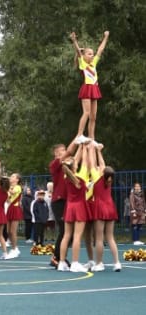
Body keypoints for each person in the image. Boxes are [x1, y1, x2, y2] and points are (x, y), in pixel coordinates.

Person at [70, 31, 110, 140]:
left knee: (93, 117)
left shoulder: (94, 63)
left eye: (92, 54)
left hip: (94, 89)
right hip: (87, 88)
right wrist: (74, 41)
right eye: (89, 54)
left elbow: (100, 50)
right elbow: (78, 52)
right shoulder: (83, 63)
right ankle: (79, 135)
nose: (92, 55)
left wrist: (106, 37)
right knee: (86, 113)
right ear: (84, 56)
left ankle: (92, 138)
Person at [89, 143, 121, 272]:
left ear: (102, 172)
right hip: (110, 206)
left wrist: (91, 148)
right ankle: (117, 262)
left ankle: (99, 263)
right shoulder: (109, 179)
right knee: (110, 237)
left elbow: (92, 163)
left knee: (99, 238)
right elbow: (102, 164)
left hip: (100, 207)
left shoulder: (97, 177)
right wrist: (99, 151)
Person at [58, 144, 90, 272]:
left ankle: (61, 262)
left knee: (66, 235)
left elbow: (74, 161)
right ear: (74, 167)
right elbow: (85, 162)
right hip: (79, 207)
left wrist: (81, 146)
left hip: (69, 207)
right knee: (77, 236)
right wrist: (86, 148)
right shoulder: (80, 179)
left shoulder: (66, 177)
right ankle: (75, 263)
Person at [49, 140, 77, 268]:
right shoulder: (55, 164)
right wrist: (77, 138)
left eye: (64, 150)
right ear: (56, 154)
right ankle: (57, 257)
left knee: (70, 231)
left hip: (68, 201)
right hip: (59, 201)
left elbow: (74, 158)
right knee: (64, 230)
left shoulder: (68, 164)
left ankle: (61, 256)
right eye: (61, 151)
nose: (65, 152)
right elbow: (70, 152)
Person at [5, 173, 23, 259]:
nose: (10, 177)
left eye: (12, 176)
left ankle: (14, 249)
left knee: (13, 231)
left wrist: (5, 186)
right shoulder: (10, 187)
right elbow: (8, 199)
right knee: (8, 231)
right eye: (10, 176)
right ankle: (14, 248)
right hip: (10, 208)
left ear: (17, 180)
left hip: (15, 209)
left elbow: (12, 192)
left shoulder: (18, 187)